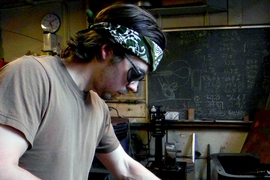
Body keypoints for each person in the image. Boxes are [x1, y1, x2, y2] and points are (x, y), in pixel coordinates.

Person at [0, 3, 166, 180]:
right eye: (135, 74)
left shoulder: (98, 108)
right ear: (107, 51)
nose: (134, 87)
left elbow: (125, 167)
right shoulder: (32, 75)